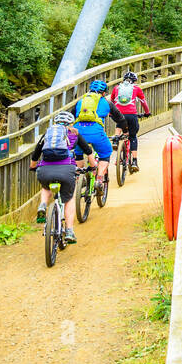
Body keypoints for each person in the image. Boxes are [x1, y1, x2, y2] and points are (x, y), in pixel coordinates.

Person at [31, 111, 80, 244]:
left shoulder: (48, 134)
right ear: (71, 123)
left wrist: (33, 167)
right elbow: (87, 150)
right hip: (67, 170)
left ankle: (42, 205)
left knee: (45, 186)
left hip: (45, 170)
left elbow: (35, 154)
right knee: (69, 198)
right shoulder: (74, 134)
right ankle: (69, 231)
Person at [73, 80, 124, 193]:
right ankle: (100, 179)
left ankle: (79, 178)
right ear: (104, 93)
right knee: (105, 153)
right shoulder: (107, 103)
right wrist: (124, 129)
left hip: (78, 133)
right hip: (96, 133)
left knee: (78, 153)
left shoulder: (80, 101)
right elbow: (120, 118)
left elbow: (71, 117)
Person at [110, 70, 150, 173]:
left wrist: (111, 113)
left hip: (119, 114)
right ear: (134, 81)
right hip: (131, 114)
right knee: (132, 137)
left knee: (120, 121)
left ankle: (116, 138)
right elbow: (143, 102)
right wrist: (147, 112)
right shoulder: (136, 88)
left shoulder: (117, 88)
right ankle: (134, 162)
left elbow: (112, 102)